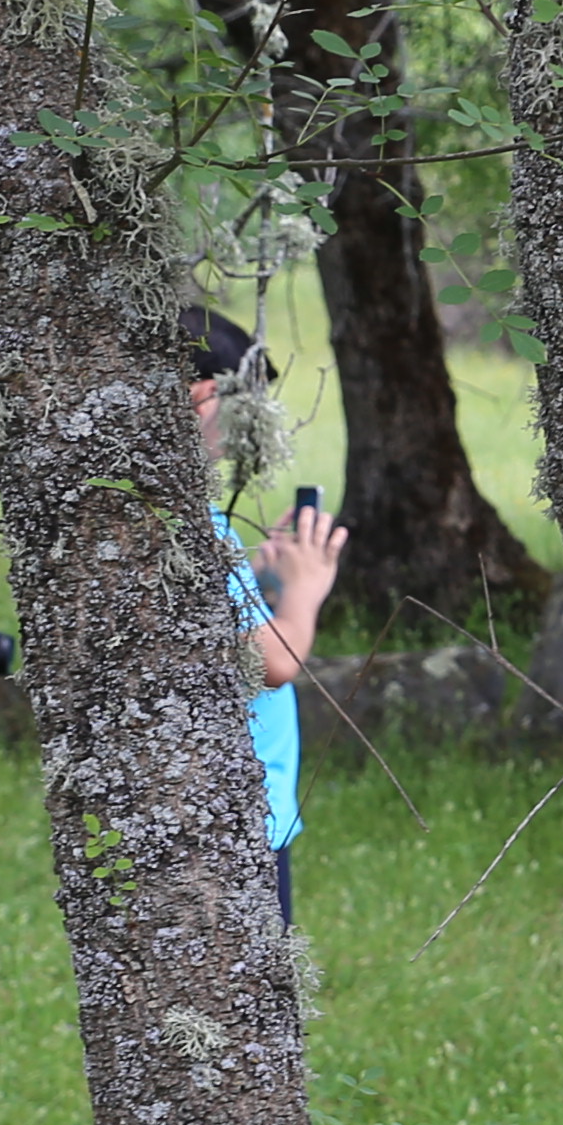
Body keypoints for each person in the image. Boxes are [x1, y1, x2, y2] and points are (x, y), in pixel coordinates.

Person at [186, 312, 343, 920]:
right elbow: (270, 663)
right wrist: (304, 591)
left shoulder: (177, 518)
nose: (253, 425)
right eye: (247, 405)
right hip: (243, 815)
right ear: (203, 397)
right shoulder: (200, 527)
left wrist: (259, 578)